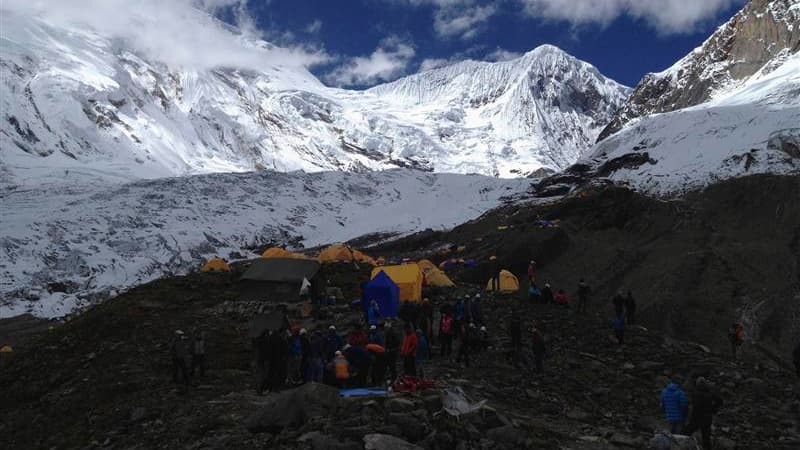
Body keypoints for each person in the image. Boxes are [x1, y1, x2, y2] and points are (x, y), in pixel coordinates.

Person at [684, 377, 723, 449]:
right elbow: (720, 401)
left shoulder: (695, 393)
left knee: (686, 433)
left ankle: (681, 445)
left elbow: (692, 404)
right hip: (707, 418)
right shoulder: (710, 393)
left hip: (696, 417)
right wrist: (714, 409)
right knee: (706, 437)